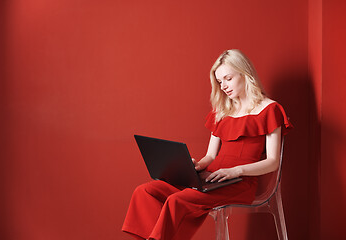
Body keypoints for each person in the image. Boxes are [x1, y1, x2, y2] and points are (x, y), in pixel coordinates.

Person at [122, 49, 293, 240]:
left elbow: (272, 162)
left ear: (245, 74)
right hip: (209, 178)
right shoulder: (222, 111)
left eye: (228, 78)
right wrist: (195, 166)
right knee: (144, 191)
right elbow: (210, 156)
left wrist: (235, 171)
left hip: (239, 183)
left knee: (177, 200)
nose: (224, 86)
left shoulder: (270, 109)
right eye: (220, 82)